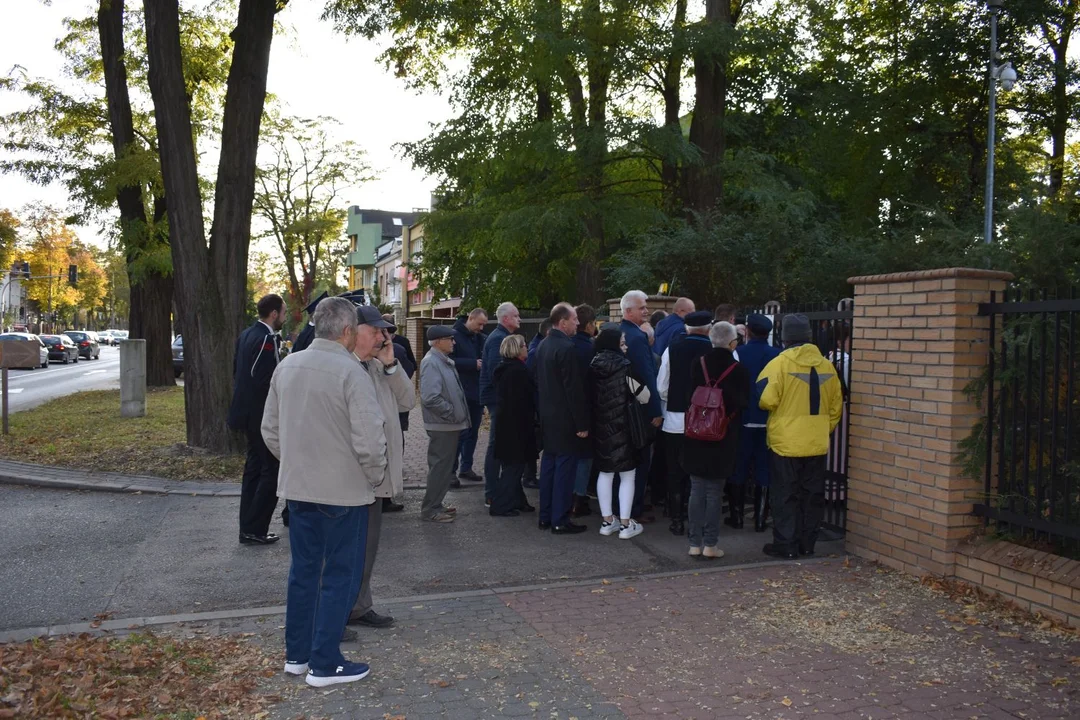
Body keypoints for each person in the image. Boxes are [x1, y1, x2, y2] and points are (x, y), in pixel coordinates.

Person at [261, 296, 386, 687]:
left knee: (303, 573)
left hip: (299, 490)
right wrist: (375, 475)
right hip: (344, 493)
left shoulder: (287, 366)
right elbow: (369, 440)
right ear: (348, 331)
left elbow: (270, 431)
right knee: (340, 578)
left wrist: (298, 462)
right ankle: (325, 662)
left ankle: (297, 655)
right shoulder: (351, 373)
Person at [348, 310, 415, 630]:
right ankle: (337, 614)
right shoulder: (343, 368)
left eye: (384, 332)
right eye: (376, 331)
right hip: (350, 476)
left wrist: (391, 364)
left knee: (367, 546)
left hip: (377, 476)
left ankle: (360, 607)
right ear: (354, 331)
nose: (383, 337)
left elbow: (407, 402)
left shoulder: (379, 367)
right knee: (343, 550)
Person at [758, 314, 844, 559]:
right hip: (816, 442)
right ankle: (808, 544)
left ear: (785, 338)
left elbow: (767, 399)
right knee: (812, 495)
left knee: (785, 495)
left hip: (785, 443)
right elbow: (837, 407)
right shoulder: (827, 365)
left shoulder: (779, 364)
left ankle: (786, 545)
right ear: (809, 336)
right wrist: (821, 428)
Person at [681, 322, 749, 559]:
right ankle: (711, 544)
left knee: (696, 489)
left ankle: (693, 543)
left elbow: (688, 395)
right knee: (714, 492)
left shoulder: (697, 364)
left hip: (696, 433)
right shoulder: (738, 369)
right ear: (732, 343)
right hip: (723, 435)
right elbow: (743, 402)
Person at [228, 293, 287, 545]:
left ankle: (248, 527)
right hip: (260, 413)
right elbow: (265, 379)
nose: (284, 317)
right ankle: (255, 528)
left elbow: (236, 370)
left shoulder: (246, 334)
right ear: (274, 313)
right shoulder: (265, 339)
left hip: (246, 411)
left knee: (253, 470)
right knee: (270, 470)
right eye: (284, 312)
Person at [656, 310, 714, 536]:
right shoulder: (714, 349)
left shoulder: (673, 348)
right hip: (707, 422)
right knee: (700, 473)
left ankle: (677, 520)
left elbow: (662, 385)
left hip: (676, 418)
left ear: (686, 328)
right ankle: (697, 519)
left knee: (675, 471)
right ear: (708, 327)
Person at [535, 303, 589, 534]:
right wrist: (582, 424)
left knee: (548, 467)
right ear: (563, 322)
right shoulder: (567, 348)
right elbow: (573, 390)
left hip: (548, 417)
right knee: (564, 472)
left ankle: (545, 516)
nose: (578, 323)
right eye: (575, 319)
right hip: (566, 420)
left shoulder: (544, 344)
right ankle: (559, 519)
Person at [589, 327, 648, 540]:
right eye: (623, 342)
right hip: (624, 427)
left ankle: (607, 521)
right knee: (627, 475)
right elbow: (644, 395)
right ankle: (625, 524)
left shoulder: (592, 365)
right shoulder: (626, 366)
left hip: (600, 427)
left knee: (604, 473)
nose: (626, 346)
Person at [731, 313, 781, 532]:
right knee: (764, 470)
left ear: (748, 331)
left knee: (738, 468)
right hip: (768, 419)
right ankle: (761, 520)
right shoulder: (777, 355)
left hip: (743, 418)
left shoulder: (738, 353)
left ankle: (737, 518)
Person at [619, 290, 663, 521]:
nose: (646, 311)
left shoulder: (619, 332)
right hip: (639, 407)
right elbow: (646, 375)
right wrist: (654, 410)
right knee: (640, 460)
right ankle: (633, 509)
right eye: (642, 307)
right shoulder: (636, 337)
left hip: (622, 406)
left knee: (626, 461)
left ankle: (627, 506)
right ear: (628, 311)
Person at [419, 325, 470, 523]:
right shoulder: (432, 362)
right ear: (439, 341)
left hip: (447, 424)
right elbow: (430, 397)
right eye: (450, 339)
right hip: (443, 425)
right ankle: (430, 509)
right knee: (440, 468)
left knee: (444, 468)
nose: (454, 342)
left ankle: (436, 504)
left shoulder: (441, 361)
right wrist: (451, 413)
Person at [490, 334, 538, 517]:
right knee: (514, 468)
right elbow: (522, 401)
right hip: (516, 427)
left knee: (513, 467)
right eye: (524, 345)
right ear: (516, 349)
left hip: (507, 425)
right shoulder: (518, 371)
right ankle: (501, 505)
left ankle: (518, 501)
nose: (527, 348)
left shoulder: (504, 369)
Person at [479, 302, 522, 504]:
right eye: (516, 316)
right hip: (498, 399)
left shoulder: (499, 337)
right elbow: (497, 373)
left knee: (499, 443)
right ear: (505, 319)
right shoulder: (498, 339)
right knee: (496, 444)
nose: (519, 319)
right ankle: (492, 492)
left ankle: (502, 489)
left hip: (499, 398)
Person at [451, 308, 488, 484]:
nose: (481, 328)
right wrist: (472, 364)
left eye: (483, 325)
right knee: (460, 434)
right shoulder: (453, 336)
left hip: (476, 393)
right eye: (479, 324)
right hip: (460, 392)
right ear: (470, 319)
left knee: (473, 433)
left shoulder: (480, 338)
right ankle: (451, 471)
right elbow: (448, 361)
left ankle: (466, 468)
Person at [570, 304, 598, 517]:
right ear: (589, 325)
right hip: (586, 409)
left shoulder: (565, 345)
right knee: (584, 457)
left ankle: (571, 495)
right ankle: (579, 498)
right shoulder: (590, 349)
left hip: (564, 410)